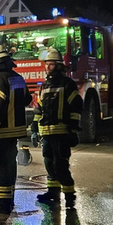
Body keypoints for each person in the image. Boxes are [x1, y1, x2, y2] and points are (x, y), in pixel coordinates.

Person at [0, 45, 33, 214]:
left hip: (2, 131)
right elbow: (27, 99)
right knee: (10, 165)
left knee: (2, 167)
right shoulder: (18, 78)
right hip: (16, 131)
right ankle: (8, 199)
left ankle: (2, 204)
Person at [33, 48, 83, 207]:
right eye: (46, 64)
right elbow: (39, 109)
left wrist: (73, 130)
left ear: (59, 65)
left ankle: (69, 196)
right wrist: (34, 128)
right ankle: (53, 192)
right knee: (49, 164)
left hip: (61, 132)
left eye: (51, 64)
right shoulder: (44, 85)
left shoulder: (68, 84)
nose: (47, 67)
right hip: (46, 132)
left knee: (61, 165)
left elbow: (76, 107)